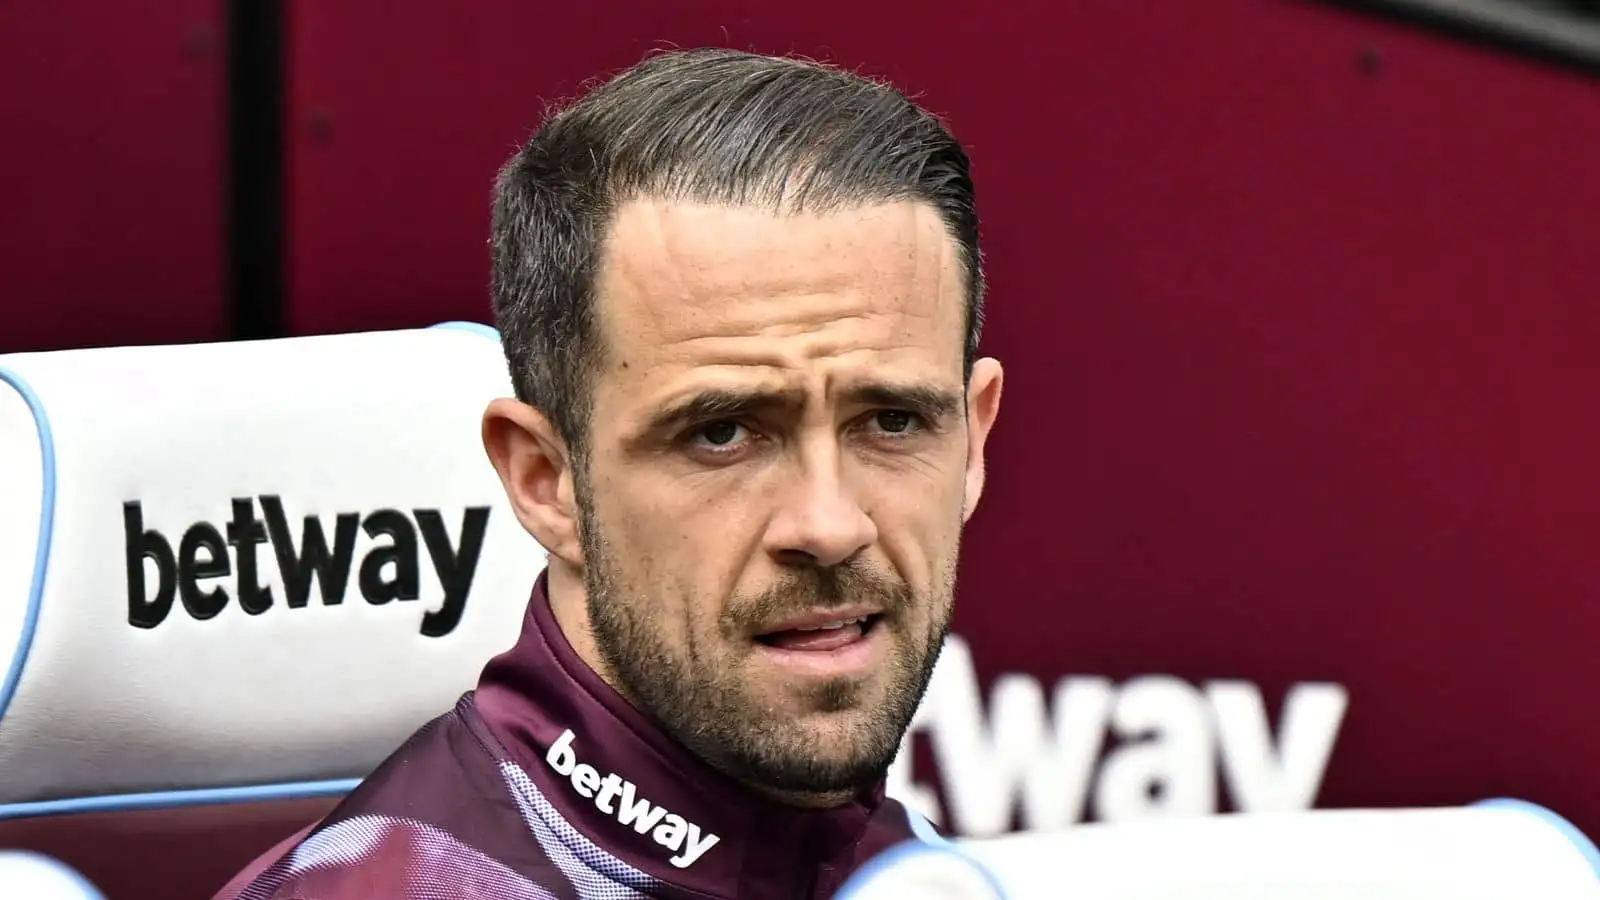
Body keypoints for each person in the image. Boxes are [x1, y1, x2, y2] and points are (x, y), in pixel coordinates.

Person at [215, 46, 1004, 900]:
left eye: (892, 421)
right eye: (723, 432)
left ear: (974, 438)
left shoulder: (910, 867)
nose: (828, 523)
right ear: (545, 480)